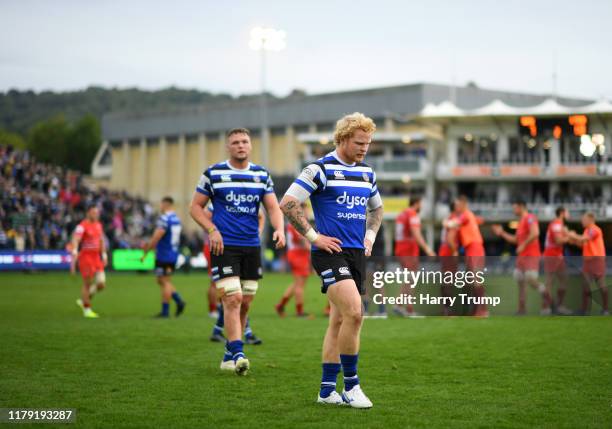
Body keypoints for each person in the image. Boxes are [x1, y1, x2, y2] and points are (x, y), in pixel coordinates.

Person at [280, 112, 383, 408]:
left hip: (356, 254)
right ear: (342, 138)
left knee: (338, 320)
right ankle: (352, 386)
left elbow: (377, 210)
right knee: (354, 312)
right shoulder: (319, 169)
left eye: (368, 143)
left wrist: (370, 237)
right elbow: (288, 203)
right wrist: (314, 237)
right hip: (329, 253)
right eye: (359, 142)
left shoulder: (367, 173)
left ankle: (326, 391)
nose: (364, 148)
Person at [190, 127, 285, 376]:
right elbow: (196, 208)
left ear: (250, 145)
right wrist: (212, 230)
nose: (240, 145)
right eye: (235, 142)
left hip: (252, 246)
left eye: (244, 141)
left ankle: (228, 353)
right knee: (232, 299)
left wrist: (280, 229)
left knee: (246, 303)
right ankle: (239, 353)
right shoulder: (213, 173)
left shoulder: (261, 175)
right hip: (224, 246)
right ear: (228, 146)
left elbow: (273, 208)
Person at [208, 203, 265, 344]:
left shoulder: (250, 197)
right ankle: (246, 334)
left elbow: (261, 216)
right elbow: (203, 215)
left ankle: (219, 331)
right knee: (232, 296)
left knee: (240, 298)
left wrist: (258, 232)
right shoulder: (219, 199)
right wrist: (213, 231)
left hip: (248, 250)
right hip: (224, 248)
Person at [492, 200, 551, 315]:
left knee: (530, 279)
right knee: (521, 282)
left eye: (515, 207)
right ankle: (521, 309)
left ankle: (546, 295)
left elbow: (535, 233)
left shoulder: (530, 218)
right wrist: (502, 233)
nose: (514, 210)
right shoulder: (520, 222)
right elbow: (516, 240)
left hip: (531, 254)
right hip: (522, 257)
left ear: (521, 207)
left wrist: (523, 245)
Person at [141, 196, 186, 318]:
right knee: (161, 280)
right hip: (173, 253)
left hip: (164, 255)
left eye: (161, 204)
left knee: (165, 281)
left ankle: (166, 311)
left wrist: (146, 252)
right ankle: (178, 300)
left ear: (166, 204)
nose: (160, 207)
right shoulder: (176, 219)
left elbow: (157, 236)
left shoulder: (165, 219)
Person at [394, 196, 436, 317]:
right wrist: (428, 249)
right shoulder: (412, 214)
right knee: (411, 279)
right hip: (409, 250)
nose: (421, 207)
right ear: (417, 203)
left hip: (400, 249)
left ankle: (402, 306)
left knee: (409, 279)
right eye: (421, 204)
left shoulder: (402, 214)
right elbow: (416, 234)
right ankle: (405, 307)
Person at [453, 195, 488, 317]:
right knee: (471, 280)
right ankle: (476, 309)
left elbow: (455, 223)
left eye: (457, 205)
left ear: (463, 204)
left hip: (474, 247)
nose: (456, 207)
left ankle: (483, 310)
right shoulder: (469, 215)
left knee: (476, 279)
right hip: (471, 248)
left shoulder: (465, 215)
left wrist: (446, 222)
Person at [70, 204, 107, 318]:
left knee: (101, 284)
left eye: (97, 213)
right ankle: (87, 309)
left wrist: (104, 254)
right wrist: (75, 250)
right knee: (87, 283)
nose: (95, 215)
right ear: (88, 213)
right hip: (86, 257)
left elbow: (101, 240)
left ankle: (83, 300)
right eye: (93, 213)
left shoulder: (98, 225)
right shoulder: (82, 226)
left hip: (96, 257)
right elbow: (76, 239)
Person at [568, 212, 608, 315]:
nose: (582, 221)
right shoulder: (587, 230)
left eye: (584, 219)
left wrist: (572, 235)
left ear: (590, 219)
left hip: (597, 260)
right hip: (588, 261)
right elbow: (582, 244)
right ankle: (584, 310)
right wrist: (574, 240)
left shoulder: (595, 229)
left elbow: (584, 239)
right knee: (585, 285)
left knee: (601, 284)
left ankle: (606, 309)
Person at [276, 206, 311, 317]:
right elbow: (303, 242)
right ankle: (299, 311)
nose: (308, 212)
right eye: (305, 209)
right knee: (300, 285)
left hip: (300, 255)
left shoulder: (297, 222)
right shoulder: (296, 223)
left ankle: (281, 305)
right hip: (297, 255)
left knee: (297, 283)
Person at [543, 207, 572, 315]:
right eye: (567, 211)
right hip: (552, 255)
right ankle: (547, 307)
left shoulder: (559, 225)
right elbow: (558, 240)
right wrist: (568, 235)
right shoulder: (556, 224)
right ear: (562, 213)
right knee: (550, 282)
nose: (569, 214)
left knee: (562, 280)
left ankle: (557, 306)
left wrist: (568, 235)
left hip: (557, 255)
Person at [439, 203, 459, 316]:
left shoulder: (447, 219)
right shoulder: (454, 219)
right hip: (449, 252)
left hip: (443, 251)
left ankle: (445, 308)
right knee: (449, 281)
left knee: (446, 280)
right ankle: (448, 310)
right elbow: (450, 238)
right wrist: (455, 251)